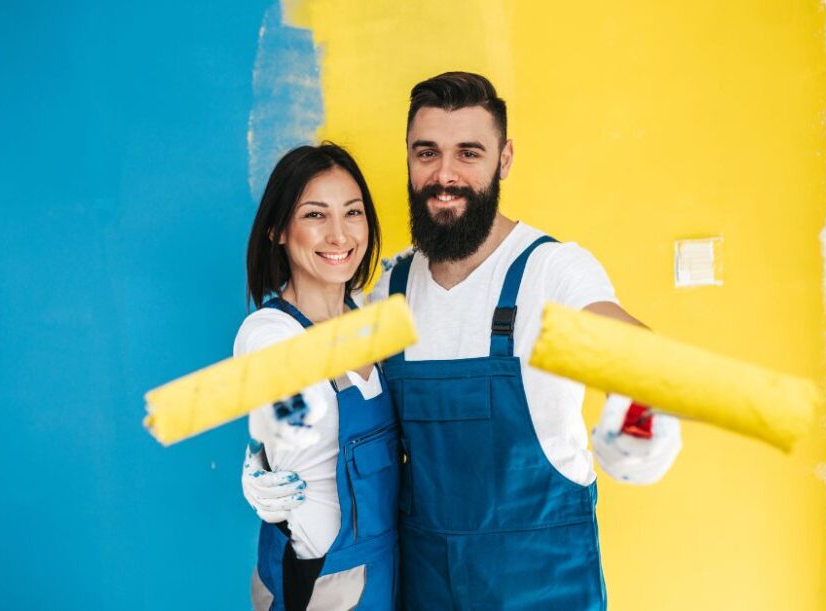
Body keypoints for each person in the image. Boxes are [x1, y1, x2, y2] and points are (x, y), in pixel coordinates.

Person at [244, 73, 683, 609]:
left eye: (468, 153)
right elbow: (331, 408)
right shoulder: (391, 288)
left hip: (542, 585)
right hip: (425, 586)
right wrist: (265, 460)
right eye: (427, 153)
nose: (444, 175)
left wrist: (644, 412)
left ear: (504, 159)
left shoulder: (551, 271)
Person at [238, 143, 399, 610]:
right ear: (277, 230)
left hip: (389, 569)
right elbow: (287, 397)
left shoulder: (370, 318)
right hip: (323, 585)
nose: (338, 234)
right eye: (314, 215)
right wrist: (260, 449)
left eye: (352, 213)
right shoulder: (268, 334)